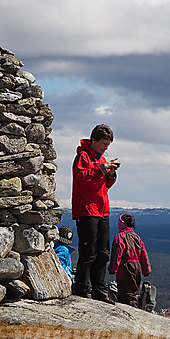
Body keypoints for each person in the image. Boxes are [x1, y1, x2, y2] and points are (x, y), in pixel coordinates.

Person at [71, 124, 120, 303]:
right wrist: (102, 168)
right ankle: (83, 288)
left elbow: (103, 186)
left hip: (102, 210)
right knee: (88, 251)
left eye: (108, 145)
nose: (105, 148)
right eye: (103, 144)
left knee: (103, 251)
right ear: (94, 140)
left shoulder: (100, 160)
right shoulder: (82, 157)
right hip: (86, 210)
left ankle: (100, 290)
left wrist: (111, 174)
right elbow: (82, 178)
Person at [109, 214, 151, 308]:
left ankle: (130, 313)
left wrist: (113, 268)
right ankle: (138, 305)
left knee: (125, 295)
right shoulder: (137, 238)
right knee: (133, 292)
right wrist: (146, 270)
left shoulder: (120, 237)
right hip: (137, 268)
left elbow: (117, 254)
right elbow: (143, 255)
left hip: (125, 268)